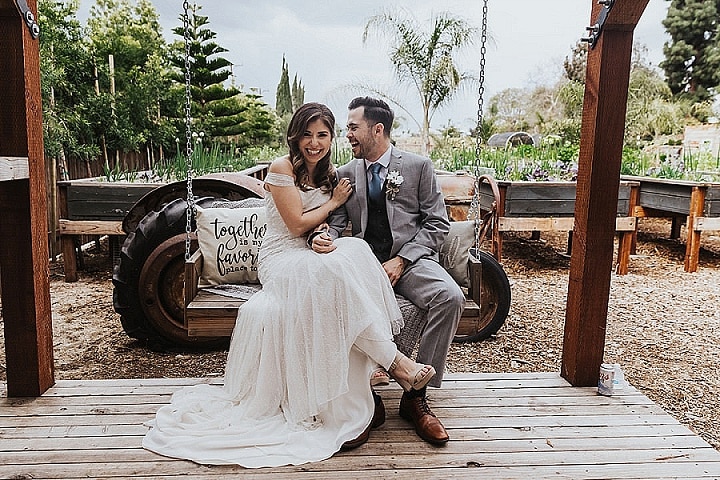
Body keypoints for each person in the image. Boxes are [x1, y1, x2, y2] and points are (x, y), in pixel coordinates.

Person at [142, 102, 436, 468]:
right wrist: (332, 205)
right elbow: (295, 225)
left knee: (354, 250)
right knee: (331, 275)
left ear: (331, 139)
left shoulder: (329, 174)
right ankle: (395, 363)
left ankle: (373, 376)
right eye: (308, 135)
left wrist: (324, 236)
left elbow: (316, 230)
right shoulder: (282, 168)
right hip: (281, 259)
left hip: (308, 256)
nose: (315, 143)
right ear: (295, 137)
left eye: (323, 135)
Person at [318, 96, 465, 446]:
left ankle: (416, 398)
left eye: (353, 127)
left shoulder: (418, 166)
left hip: (410, 261)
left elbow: (436, 223)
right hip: (364, 265)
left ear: (377, 129)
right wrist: (326, 236)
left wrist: (404, 259)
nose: (347, 134)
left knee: (450, 297)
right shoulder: (345, 174)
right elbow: (338, 223)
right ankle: (365, 395)